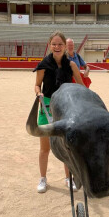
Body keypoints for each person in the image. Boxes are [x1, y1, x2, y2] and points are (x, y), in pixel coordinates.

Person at [34, 31, 85, 193]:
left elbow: (81, 85)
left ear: (65, 46)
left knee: (67, 147)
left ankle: (67, 178)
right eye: (54, 44)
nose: (57, 47)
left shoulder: (71, 65)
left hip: (65, 107)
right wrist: (38, 93)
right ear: (50, 45)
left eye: (60, 44)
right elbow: (37, 85)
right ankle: (43, 179)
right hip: (47, 106)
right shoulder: (43, 65)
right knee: (45, 147)